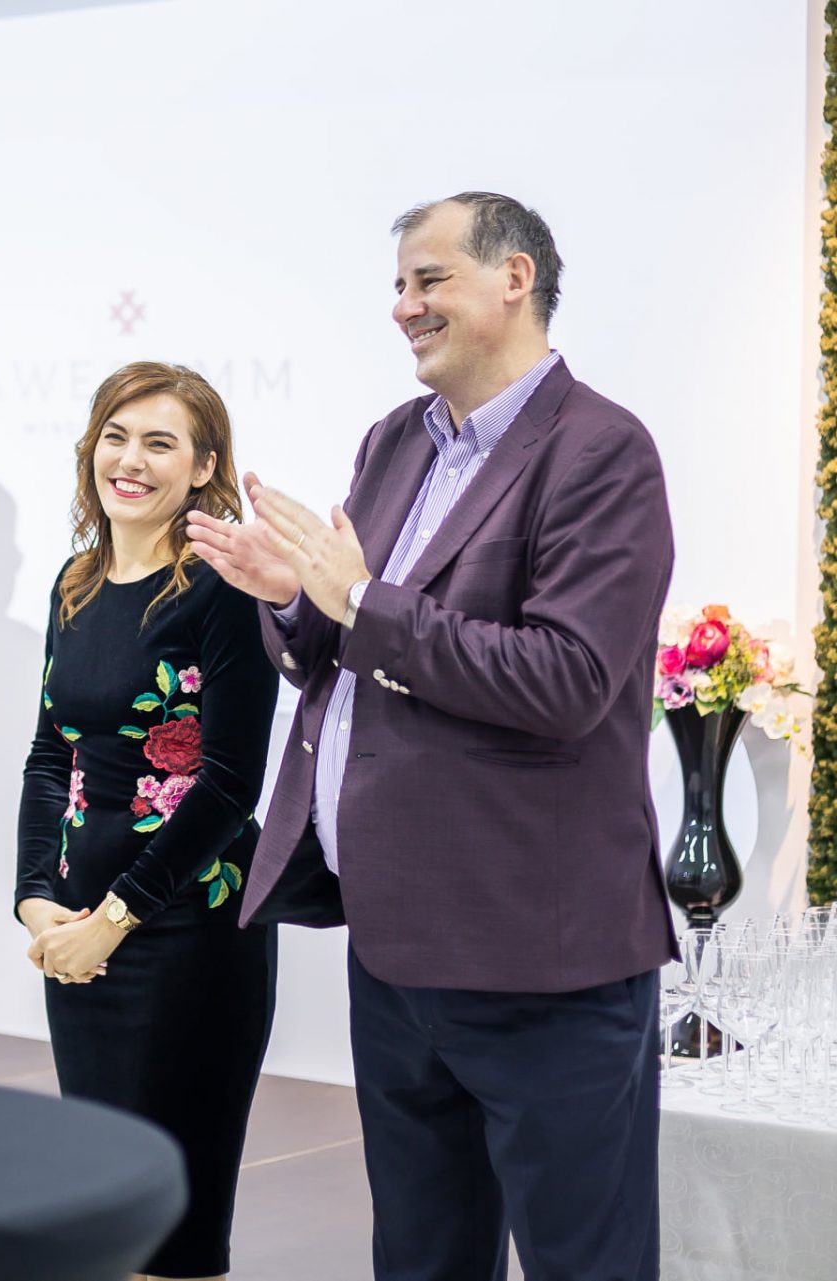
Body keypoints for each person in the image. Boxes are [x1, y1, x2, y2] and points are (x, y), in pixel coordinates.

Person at [187, 192, 675, 1279]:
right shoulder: (394, 441)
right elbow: (348, 642)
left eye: (429, 279)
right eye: (399, 284)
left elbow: (566, 680)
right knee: (420, 1260)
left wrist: (358, 601)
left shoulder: (602, 451)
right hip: (398, 947)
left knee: (584, 1262)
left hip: (542, 957)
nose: (404, 305)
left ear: (516, 278)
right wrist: (293, 599)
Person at [17, 362, 279, 1281]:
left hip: (187, 935)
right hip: (79, 936)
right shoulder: (76, 582)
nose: (129, 461)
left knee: (172, 1234)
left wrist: (115, 919)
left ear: (204, 466)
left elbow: (231, 785)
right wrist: (37, 901)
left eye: (160, 443)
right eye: (116, 437)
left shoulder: (224, 585)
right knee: (103, 1214)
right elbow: (51, 753)